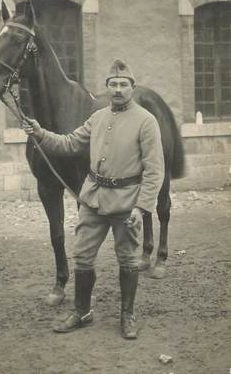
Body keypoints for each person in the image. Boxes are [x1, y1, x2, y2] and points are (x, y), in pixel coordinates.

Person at [22, 59, 164, 339]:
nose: (118, 90)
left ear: (132, 88)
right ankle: (82, 311)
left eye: (124, 85)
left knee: (127, 259)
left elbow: (155, 169)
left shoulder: (146, 121)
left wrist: (142, 206)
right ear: (107, 88)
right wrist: (39, 132)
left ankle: (127, 315)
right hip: (94, 199)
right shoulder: (97, 118)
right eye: (113, 85)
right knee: (83, 256)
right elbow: (69, 143)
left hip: (126, 202)